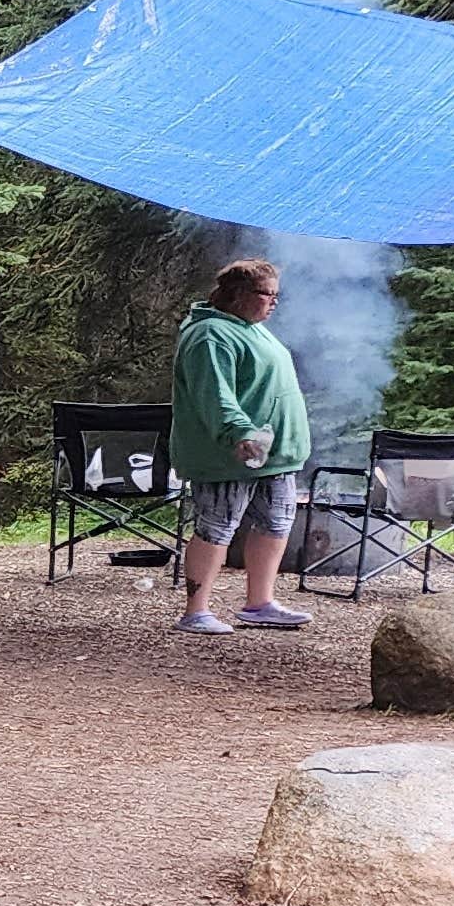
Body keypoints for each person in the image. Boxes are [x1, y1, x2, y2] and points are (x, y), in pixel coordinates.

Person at [169, 257, 315, 634]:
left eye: (276, 296)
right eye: (268, 294)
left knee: (276, 523)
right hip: (230, 455)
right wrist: (239, 433)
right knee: (216, 527)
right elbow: (214, 395)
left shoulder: (251, 327)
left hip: (273, 456)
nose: (274, 302)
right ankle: (196, 611)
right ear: (238, 294)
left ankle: (259, 603)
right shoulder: (210, 335)